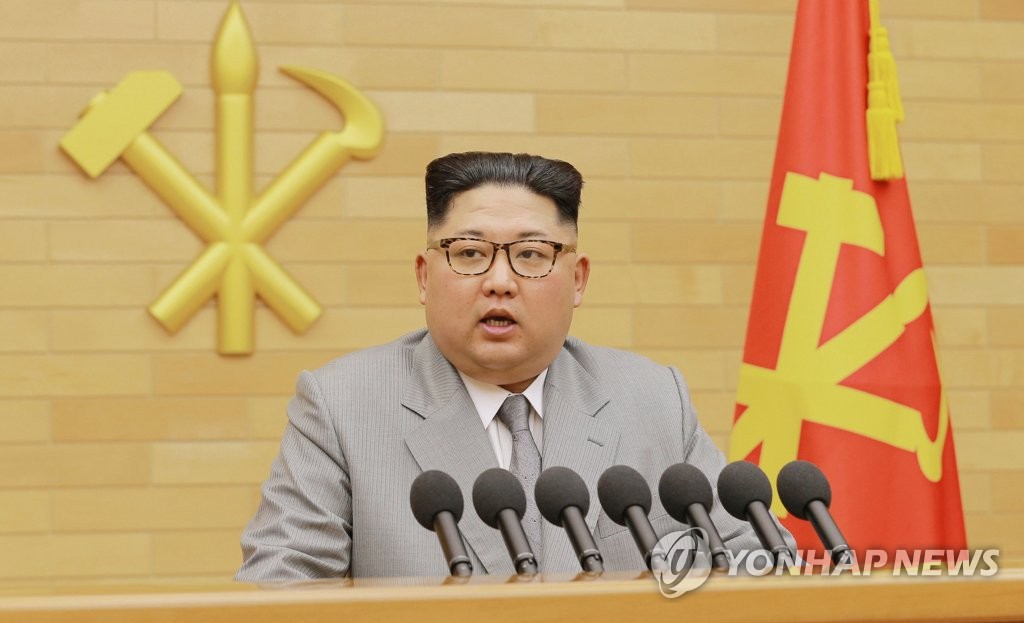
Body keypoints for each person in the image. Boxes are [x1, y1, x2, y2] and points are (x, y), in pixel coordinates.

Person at [236, 151, 788, 581]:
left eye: (531, 255)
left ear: (578, 280)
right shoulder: (340, 406)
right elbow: (282, 588)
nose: (499, 282)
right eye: (469, 253)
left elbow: (756, 564)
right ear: (425, 276)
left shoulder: (653, 398)